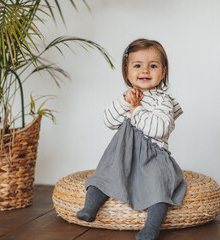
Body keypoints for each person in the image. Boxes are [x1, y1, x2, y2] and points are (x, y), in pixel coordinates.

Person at [76, 38, 187, 240]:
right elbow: (109, 120)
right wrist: (125, 101)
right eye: (137, 65)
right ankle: (90, 208)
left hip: (153, 156)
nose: (145, 70)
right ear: (127, 72)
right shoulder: (128, 97)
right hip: (122, 154)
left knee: (158, 186)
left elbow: (159, 129)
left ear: (163, 72)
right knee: (103, 176)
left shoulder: (164, 101)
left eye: (152, 66)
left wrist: (137, 110)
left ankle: (151, 228)